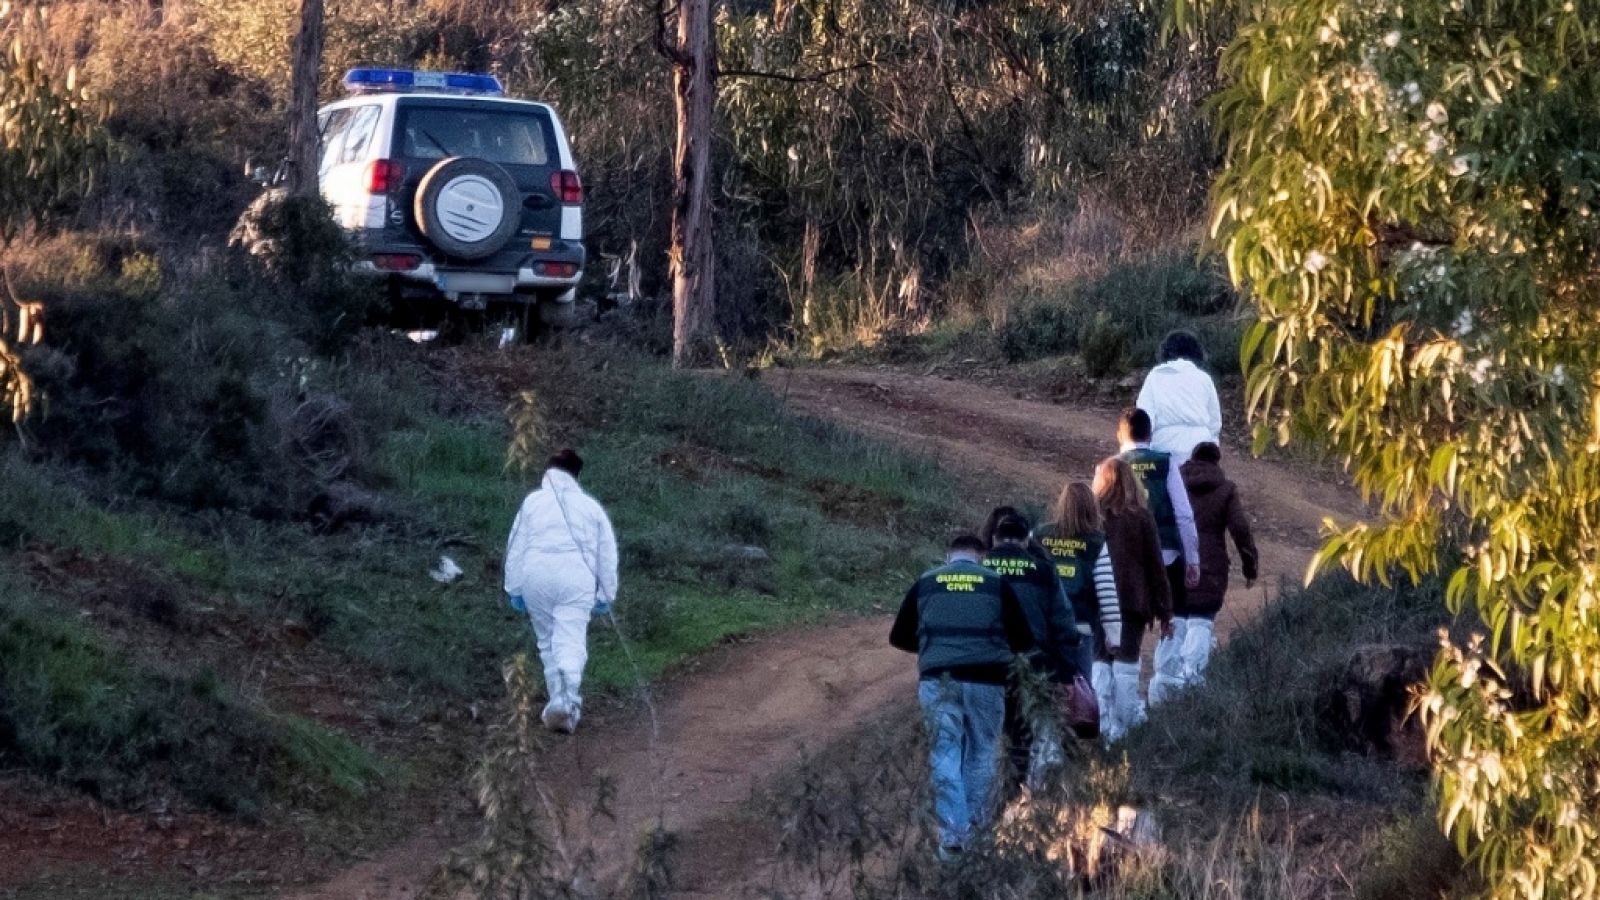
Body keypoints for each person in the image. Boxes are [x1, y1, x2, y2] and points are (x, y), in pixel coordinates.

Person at [890, 534, 1034, 860]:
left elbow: (898, 636)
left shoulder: (927, 582)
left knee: (945, 753)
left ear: (948, 556)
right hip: (987, 681)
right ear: (980, 556)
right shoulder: (995, 582)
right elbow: (1024, 639)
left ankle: (953, 840)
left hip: (938, 681)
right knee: (981, 754)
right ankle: (979, 836)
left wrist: (934, 651)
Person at [503, 448, 619, 735]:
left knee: (547, 641)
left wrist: (514, 587)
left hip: (536, 574)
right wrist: (606, 594)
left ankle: (561, 704)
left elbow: (515, 546)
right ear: (576, 475)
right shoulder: (590, 507)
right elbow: (607, 553)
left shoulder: (532, 502)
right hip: (575, 577)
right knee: (570, 639)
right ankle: (565, 701)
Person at [982, 515, 1080, 791]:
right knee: (1032, 735)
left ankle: (995, 800)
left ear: (994, 539)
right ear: (1027, 540)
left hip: (988, 667)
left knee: (991, 738)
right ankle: (1032, 799)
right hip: (1036, 666)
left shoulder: (981, 568)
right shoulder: (1044, 571)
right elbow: (1063, 622)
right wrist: (1067, 672)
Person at [1117, 408, 1200, 706]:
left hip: (1123, 565)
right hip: (1167, 555)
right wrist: (1192, 560)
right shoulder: (1166, 463)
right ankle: (1164, 696)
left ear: (1120, 434)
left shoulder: (1111, 467)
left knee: (1126, 630)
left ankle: (1123, 703)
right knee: (1174, 619)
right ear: (1150, 434)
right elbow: (1184, 515)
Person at [1092, 457, 1173, 742]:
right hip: (1131, 604)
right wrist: (1166, 611)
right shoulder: (1141, 517)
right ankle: (1128, 732)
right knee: (1126, 665)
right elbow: (1155, 566)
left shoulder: (1093, 517)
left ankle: (1101, 730)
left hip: (1098, 604)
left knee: (1100, 662)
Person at [1178, 442, 1260, 687]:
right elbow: (1240, 529)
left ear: (1192, 459)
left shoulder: (1176, 485)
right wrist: (1250, 566)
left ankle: (1167, 689)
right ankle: (1192, 685)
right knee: (1201, 623)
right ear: (1216, 462)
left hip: (1176, 565)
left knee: (1176, 624)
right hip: (1210, 569)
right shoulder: (1225, 490)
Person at [1031, 482, 1107, 685]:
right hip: (1081, 624)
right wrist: (1112, 632)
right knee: (1080, 690)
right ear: (1092, 506)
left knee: (1042, 688)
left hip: (1044, 626)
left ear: (1062, 505)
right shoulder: (1098, 542)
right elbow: (1106, 589)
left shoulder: (1039, 536)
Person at [1135, 329, 1222, 469]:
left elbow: (1144, 418)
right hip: (1198, 449)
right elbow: (1214, 422)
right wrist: (1212, 449)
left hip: (1163, 449)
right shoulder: (1204, 378)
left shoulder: (1155, 377)